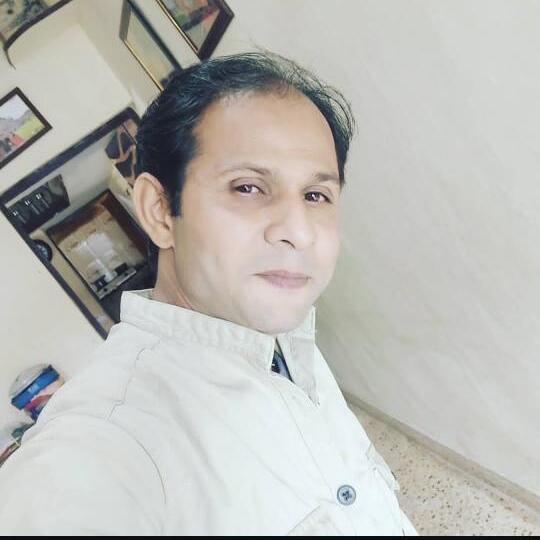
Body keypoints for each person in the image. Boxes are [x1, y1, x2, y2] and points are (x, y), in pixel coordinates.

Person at [0, 51, 418, 535]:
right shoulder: (105, 446)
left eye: (315, 195)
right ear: (160, 210)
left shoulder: (283, 338)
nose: (299, 231)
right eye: (248, 187)